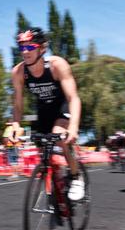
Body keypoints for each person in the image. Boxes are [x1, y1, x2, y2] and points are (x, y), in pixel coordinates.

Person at [9, 27, 85, 200]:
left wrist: (73, 127)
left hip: (62, 105)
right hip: (43, 110)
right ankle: (56, 185)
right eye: (22, 47)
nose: (25, 52)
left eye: (30, 47)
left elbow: (73, 97)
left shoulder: (57, 65)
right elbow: (18, 104)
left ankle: (75, 175)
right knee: (44, 151)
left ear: (42, 48)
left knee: (61, 137)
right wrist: (15, 125)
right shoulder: (18, 72)